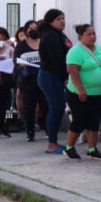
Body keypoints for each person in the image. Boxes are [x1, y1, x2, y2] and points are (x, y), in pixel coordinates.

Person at [63, 24, 101, 160]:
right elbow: (72, 71)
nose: (92, 37)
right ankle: (69, 148)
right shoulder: (76, 51)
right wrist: (81, 89)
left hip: (97, 92)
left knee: (94, 121)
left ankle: (92, 149)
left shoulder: (100, 50)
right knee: (79, 121)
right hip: (79, 93)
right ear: (80, 36)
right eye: (88, 34)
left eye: (94, 34)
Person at [37, 9, 73, 154]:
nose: (62, 21)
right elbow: (57, 60)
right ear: (50, 21)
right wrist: (65, 77)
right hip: (50, 75)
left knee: (57, 107)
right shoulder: (50, 36)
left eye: (63, 18)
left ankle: (54, 141)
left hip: (54, 75)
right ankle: (52, 144)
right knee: (56, 107)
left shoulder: (57, 34)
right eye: (58, 19)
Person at [14, 20, 46, 142]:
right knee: (29, 106)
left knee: (45, 104)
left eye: (35, 27)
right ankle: (30, 132)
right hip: (27, 80)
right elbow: (15, 59)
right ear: (26, 30)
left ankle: (48, 130)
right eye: (30, 28)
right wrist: (20, 65)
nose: (33, 30)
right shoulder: (22, 45)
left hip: (43, 78)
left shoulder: (43, 43)